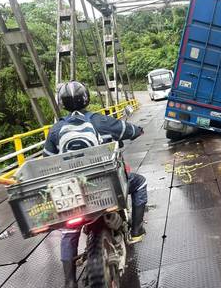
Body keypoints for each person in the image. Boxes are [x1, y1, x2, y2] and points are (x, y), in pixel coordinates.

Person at [42, 81, 147, 288]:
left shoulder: (55, 130)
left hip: (73, 191)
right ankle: (136, 231)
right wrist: (138, 130)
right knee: (139, 184)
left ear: (62, 103)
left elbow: (47, 160)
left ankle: (70, 281)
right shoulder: (100, 121)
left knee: (68, 228)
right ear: (86, 98)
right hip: (104, 185)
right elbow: (129, 130)